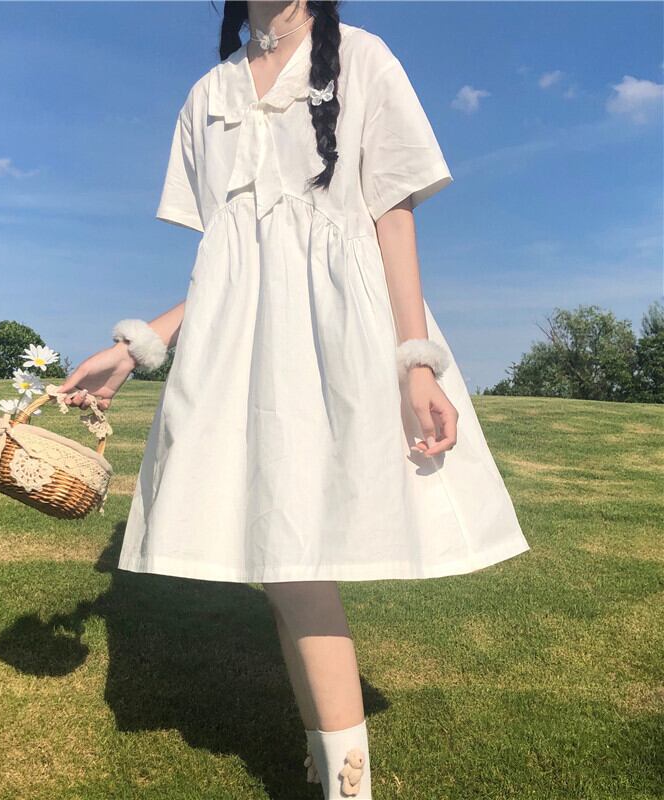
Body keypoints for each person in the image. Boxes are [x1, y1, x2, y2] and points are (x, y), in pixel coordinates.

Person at [59, 2, 531, 797]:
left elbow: (392, 219)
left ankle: (346, 784)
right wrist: (138, 349)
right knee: (283, 561)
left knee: (297, 561)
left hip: (342, 333)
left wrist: (416, 362)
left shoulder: (363, 58)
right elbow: (235, 263)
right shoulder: (208, 95)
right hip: (243, 351)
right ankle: (338, 773)